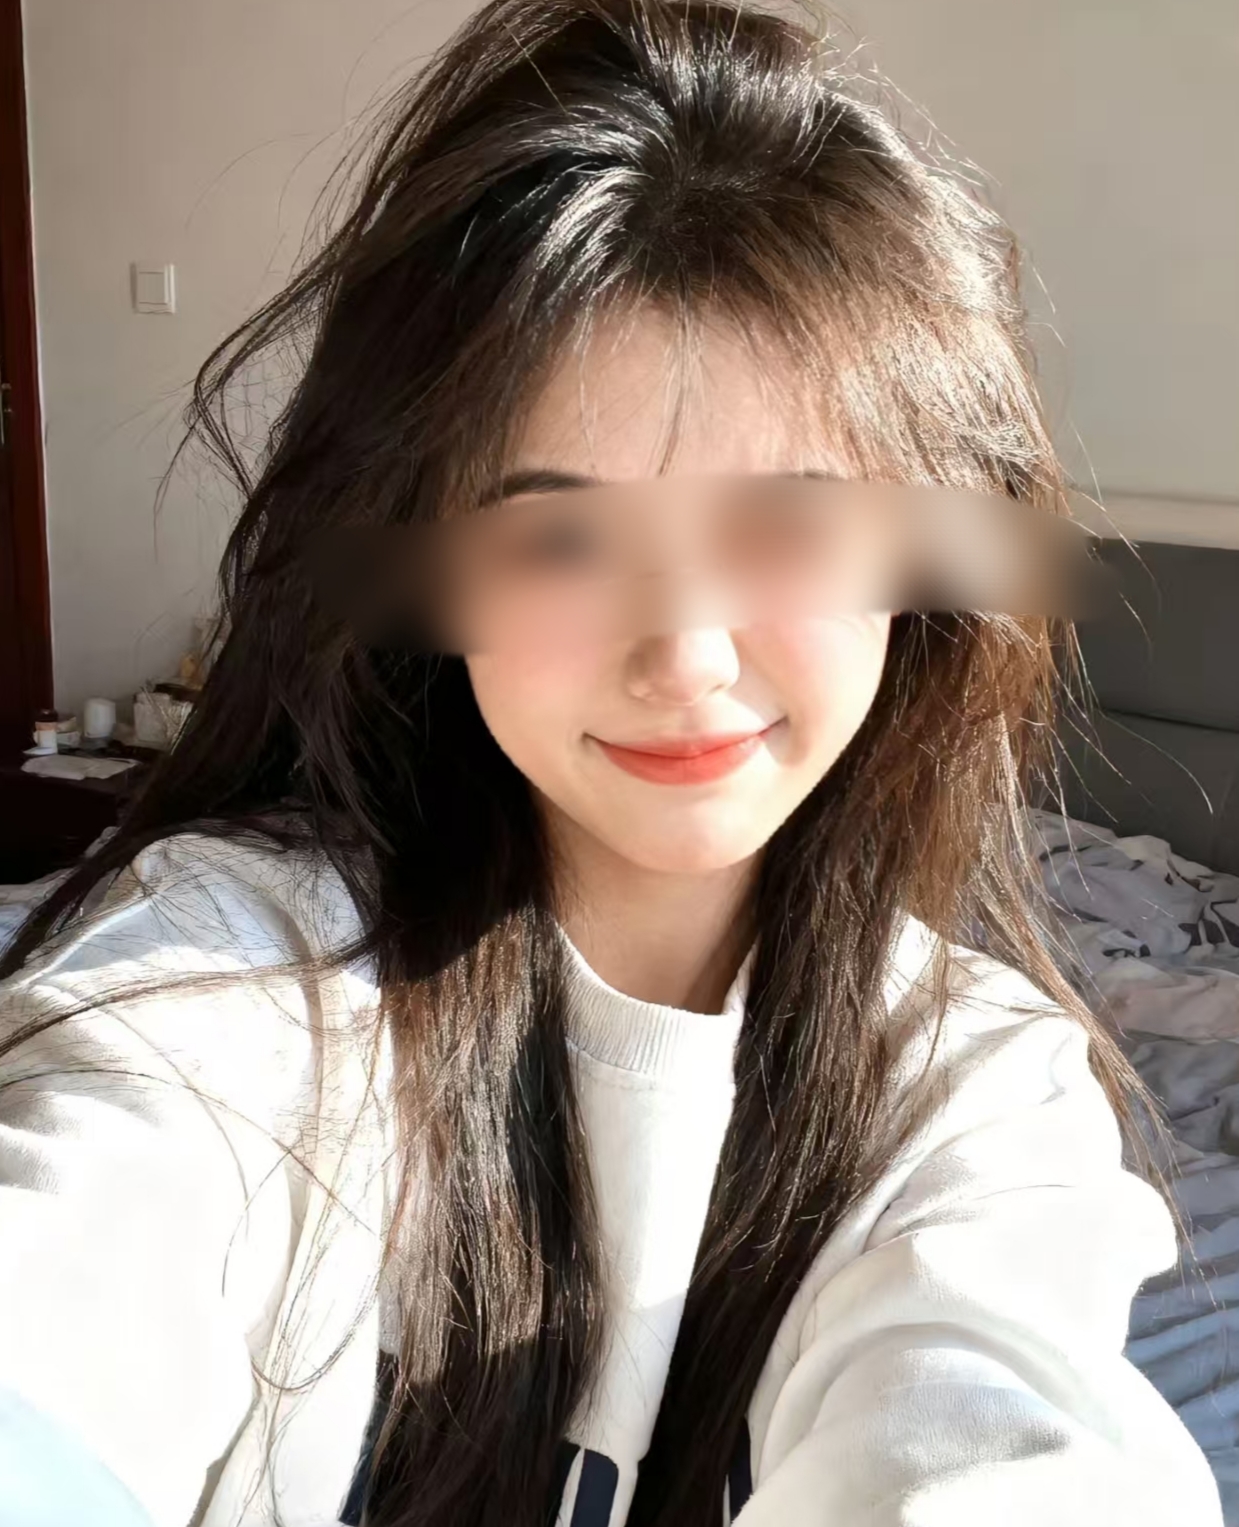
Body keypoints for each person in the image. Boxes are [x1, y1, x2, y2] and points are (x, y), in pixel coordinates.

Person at [0, 2, 1221, 1525]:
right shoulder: (236, 981)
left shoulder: (973, 1095)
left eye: (786, 522)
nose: (686, 655)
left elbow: (996, 1426)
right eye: (561, 537)